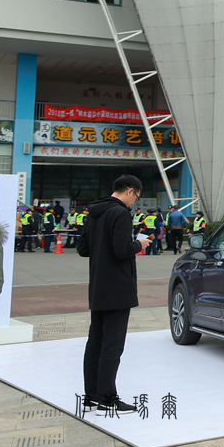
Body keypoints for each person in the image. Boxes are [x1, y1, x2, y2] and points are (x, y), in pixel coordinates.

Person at [76, 174, 152, 414]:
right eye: (136, 197)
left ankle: (91, 396)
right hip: (118, 287)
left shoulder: (94, 212)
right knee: (112, 345)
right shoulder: (120, 213)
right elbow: (122, 250)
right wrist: (140, 244)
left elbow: (83, 248)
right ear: (130, 191)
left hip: (98, 285)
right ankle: (108, 397)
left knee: (95, 343)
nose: (134, 203)